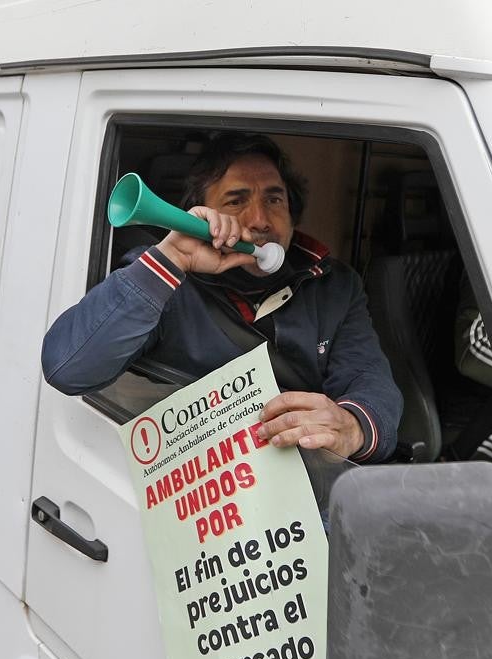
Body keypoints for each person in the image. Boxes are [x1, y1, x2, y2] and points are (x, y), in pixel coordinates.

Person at [41, 134, 402, 462]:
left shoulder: (335, 285)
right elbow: (68, 368)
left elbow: (369, 376)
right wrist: (175, 256)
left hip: (305, 486)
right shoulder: (160, 278)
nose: (259, 219)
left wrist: (353, 426)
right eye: (236, 200)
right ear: (206, 215)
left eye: (274, 199)